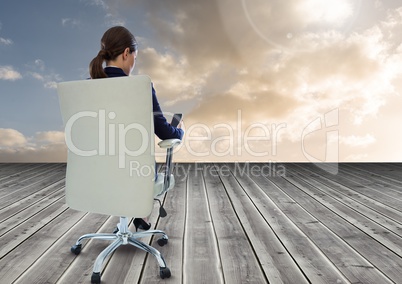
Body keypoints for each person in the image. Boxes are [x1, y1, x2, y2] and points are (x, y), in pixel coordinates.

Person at [89, 26, 184, 231]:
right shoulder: (140, 87)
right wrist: (180, 132)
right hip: (134, 173)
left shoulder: (86, 88)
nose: (133, 63)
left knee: (120, 162)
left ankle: (138, 215)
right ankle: (141, 213)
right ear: (126, 53)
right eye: (135, 57)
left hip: (94, 174)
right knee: (138, 166)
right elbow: (165, 132)